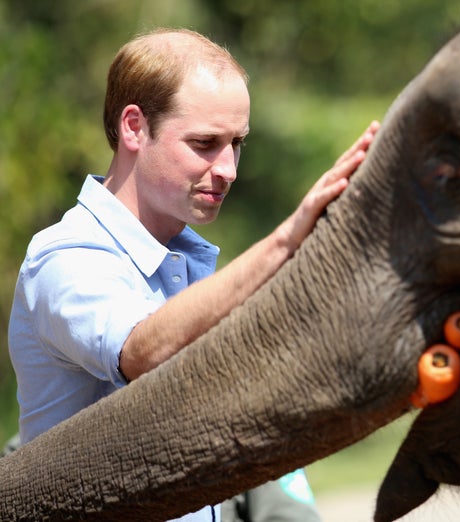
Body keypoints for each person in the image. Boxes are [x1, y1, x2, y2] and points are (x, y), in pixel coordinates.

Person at [7, 28, 379, 521]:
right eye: (205, 143)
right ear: (134, 128)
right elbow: (142, 353)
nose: (228, 169)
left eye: (236, 144)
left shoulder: (186, 262)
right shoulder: (65, 256)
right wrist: (286, 242)